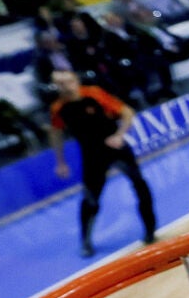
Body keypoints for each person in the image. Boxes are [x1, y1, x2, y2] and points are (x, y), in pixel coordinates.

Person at [48, 69, 158, 257]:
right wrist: (60, 162)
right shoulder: (58, 108)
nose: (65, 86)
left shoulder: (94, 94)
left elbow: (127, 112)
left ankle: (150, 230)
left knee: (140, 185)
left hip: (115, 149)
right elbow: (56, 133)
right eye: (60, 83)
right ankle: (86, 241)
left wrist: (120, 135)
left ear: (76, 80)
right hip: (92, 156)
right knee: (90, 199)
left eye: (68, 81)